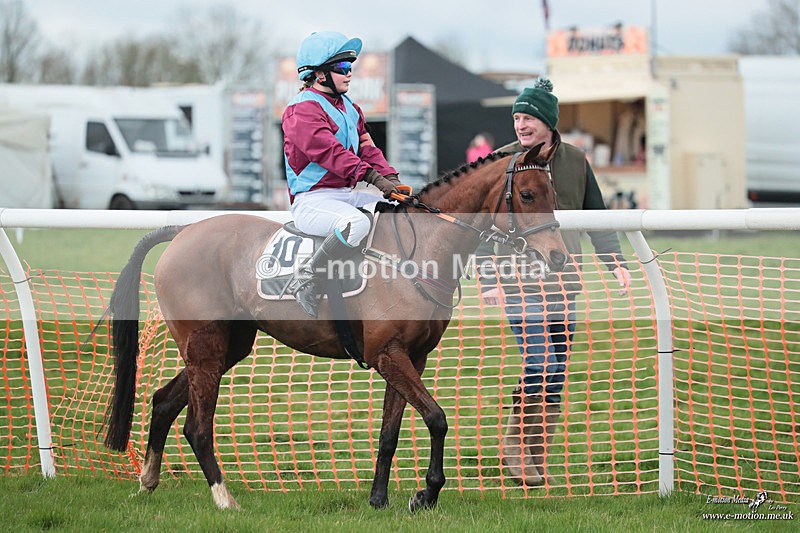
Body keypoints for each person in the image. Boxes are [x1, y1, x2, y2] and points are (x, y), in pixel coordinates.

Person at [477, 77, 632, 486]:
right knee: (541, 360)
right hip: (517, 282)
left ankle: (535, 453)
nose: (520, 125)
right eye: (516, 117)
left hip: (565, 284)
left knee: (556, 371)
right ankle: (515, 446)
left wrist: (616, 263)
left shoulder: (577, 160)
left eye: (528, 117)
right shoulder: (500, 161)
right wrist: (488, 277)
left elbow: (598, 217)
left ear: (548, 121)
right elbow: (475, 225)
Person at [282, 31, 403, 318]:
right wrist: (374, 179)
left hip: (346, 195)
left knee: (398, 210)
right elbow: (330, 154)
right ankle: (307, 277)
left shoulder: (350, 108)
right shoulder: (301, 110)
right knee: (356, 224)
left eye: (351, 68)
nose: (350, 75)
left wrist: (393, 180)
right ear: (320, 75)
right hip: (312, 201)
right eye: (343, 68)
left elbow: (367, 148)